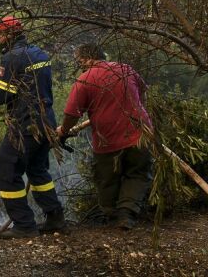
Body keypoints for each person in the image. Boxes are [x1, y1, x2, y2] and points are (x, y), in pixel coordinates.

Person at [0, 15, 65, 237]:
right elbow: (24, 88)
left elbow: (3, 97)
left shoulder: (11, 58)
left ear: (9, 35)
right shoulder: (39, 53)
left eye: (1, 35)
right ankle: (55, 217)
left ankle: (24, 226)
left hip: (24, 126)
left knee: (7, 172)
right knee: (37, 170)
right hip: (46, 122)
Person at [57, 42, 153, 230]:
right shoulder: (126, 69)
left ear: (88, 59)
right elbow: (143, 93)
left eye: (80, 61)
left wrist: (63, 131)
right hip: (140, 133)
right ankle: (127, 214)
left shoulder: (84, 80)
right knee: (138, 173)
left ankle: (112, 216)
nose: (80, 65)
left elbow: (71, 114)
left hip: (108, 138)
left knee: (106, 177)